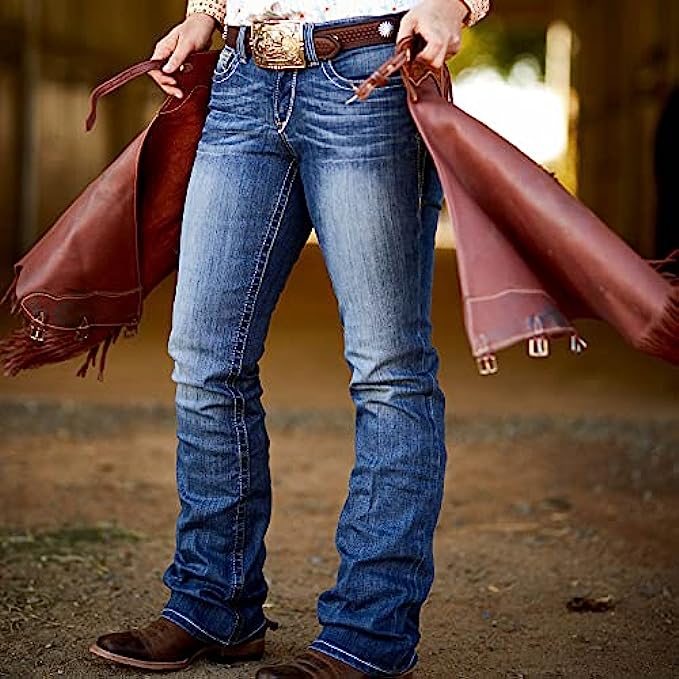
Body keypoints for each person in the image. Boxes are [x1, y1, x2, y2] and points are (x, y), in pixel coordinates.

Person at [89, 0, 490, 676]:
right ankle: (213, 604)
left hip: (367, 73)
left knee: (388, 370)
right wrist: (204, 13)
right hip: (242, 80)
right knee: (204, 359)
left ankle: (368, 635)